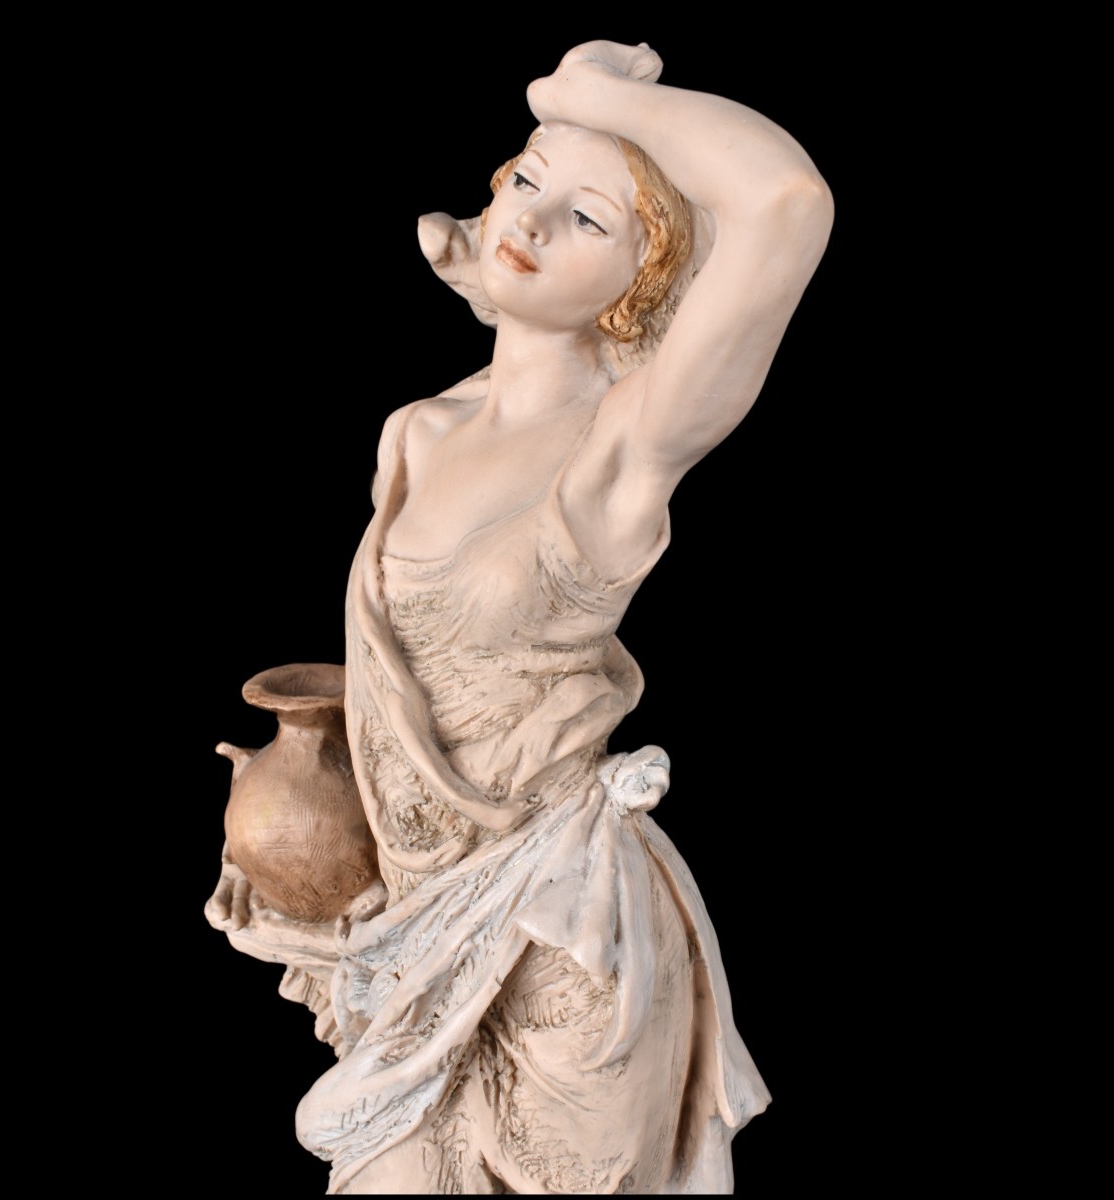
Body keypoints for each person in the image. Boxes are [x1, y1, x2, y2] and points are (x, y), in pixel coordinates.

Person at [209, 40, 832, 1194]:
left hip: (558, 939)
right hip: (413, 922)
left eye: (587, 218)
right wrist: (307, 834)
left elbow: (786, 200)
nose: (530, 221)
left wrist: (581, 97)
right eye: (526, 176)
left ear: (644, 279)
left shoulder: (620, 452)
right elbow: (405, 691)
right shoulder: (418, 433)